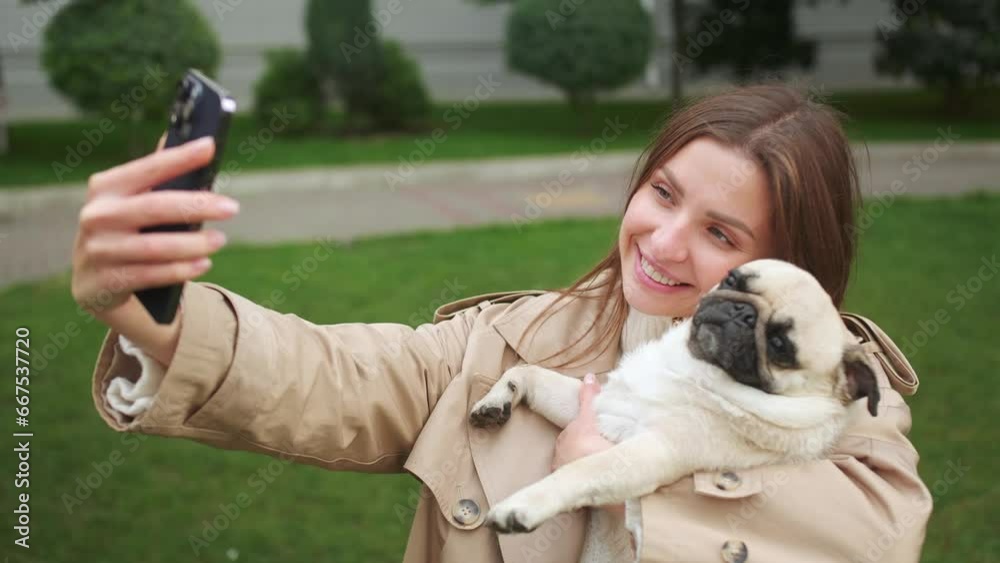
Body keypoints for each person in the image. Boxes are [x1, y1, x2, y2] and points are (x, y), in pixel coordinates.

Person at [73, 84, 931, 563]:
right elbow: (340, 375)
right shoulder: (517, 342)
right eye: (663, 193)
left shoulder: (854, 451)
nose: (662, 241)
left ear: (788, 270)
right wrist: (157, 312)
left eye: (721, 233)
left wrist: (607, 488)